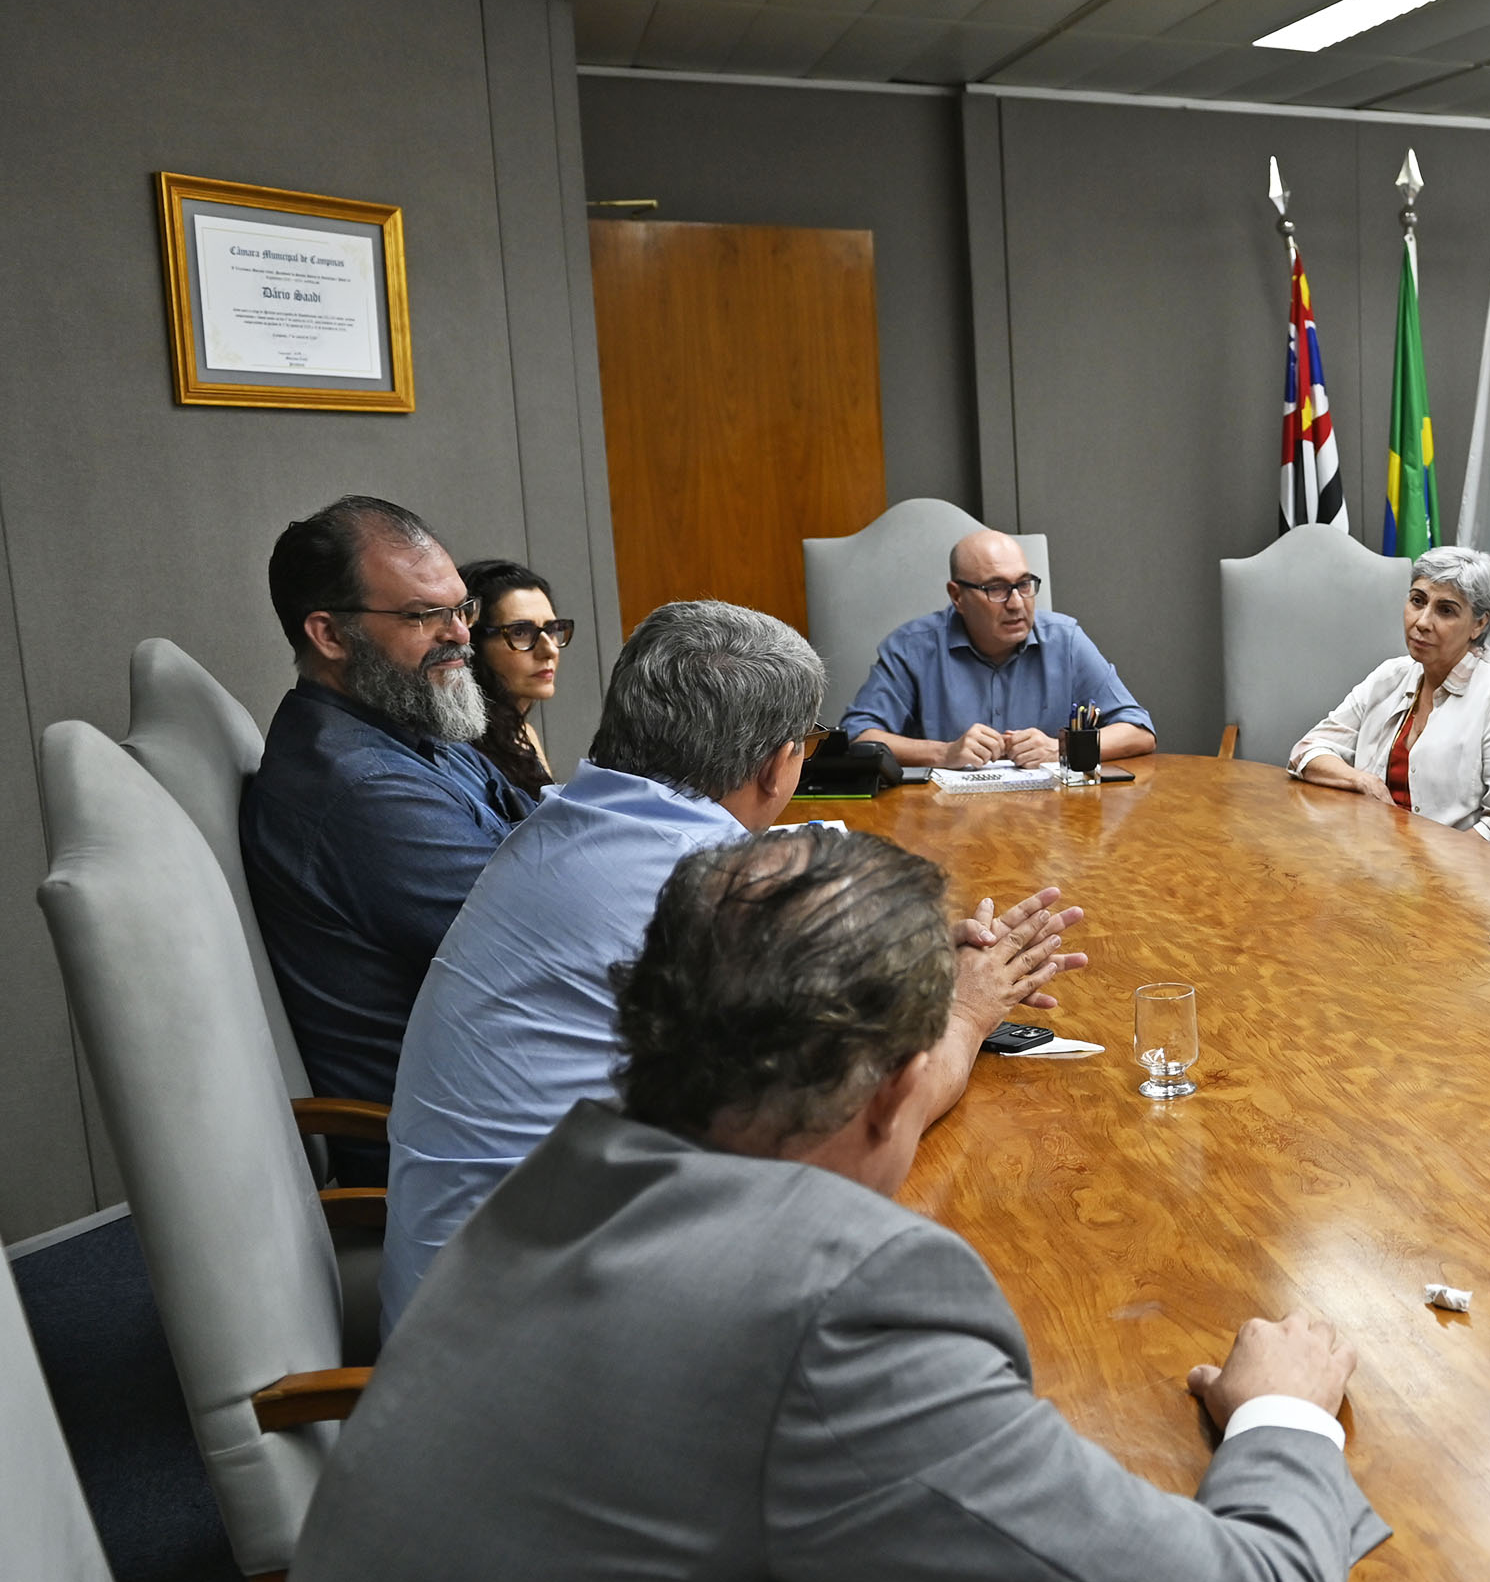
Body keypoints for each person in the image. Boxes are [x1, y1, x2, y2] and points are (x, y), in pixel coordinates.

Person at [253, 826, 1384, 1582]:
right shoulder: (839, 1308)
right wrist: (1284, 1415)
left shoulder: (564, 1178)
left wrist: (958, 1020)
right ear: (892, 1090)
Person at [380, 599, 1087, 1331]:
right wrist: (969, 1010)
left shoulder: (560, 824)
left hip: (459, 1313)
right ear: (778, 765)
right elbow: (866, 1121)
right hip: (570, 1339)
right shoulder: (712, 898)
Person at [241, 497, 530, 1158]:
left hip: (503, 1090)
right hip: (473, 1147)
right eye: (423, 615)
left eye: (462, 608)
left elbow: (541, 833)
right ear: (330, 635)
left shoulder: (408, 722)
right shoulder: (361, 789)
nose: (460, 635)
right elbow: (546, 946)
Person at [1290, 544, 1490, 846]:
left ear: (1479, 624)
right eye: (1417, 601)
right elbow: (1307, 751)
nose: (1422, 622)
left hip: (1480, 866)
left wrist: (1422, 864)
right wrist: (1363, 781)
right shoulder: (1391, 676)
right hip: (1386, 854)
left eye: (1446, 610)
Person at [841, 529, 1157, 770]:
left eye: (1023, 585)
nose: (1017, 603)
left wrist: (1062, 748)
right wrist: (944, 753)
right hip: (944, 821)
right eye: (996, 589)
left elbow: (1139, 731)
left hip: (1051, 823)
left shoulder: (1066, 641)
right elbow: (858, 737)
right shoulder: (912, 648)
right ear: (957, 596)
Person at [458, 557, 569, 801]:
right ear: (472, 644)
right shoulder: (459, 751)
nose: (549, 650)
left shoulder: (523, 734)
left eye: (551, 629)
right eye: (520, 632)